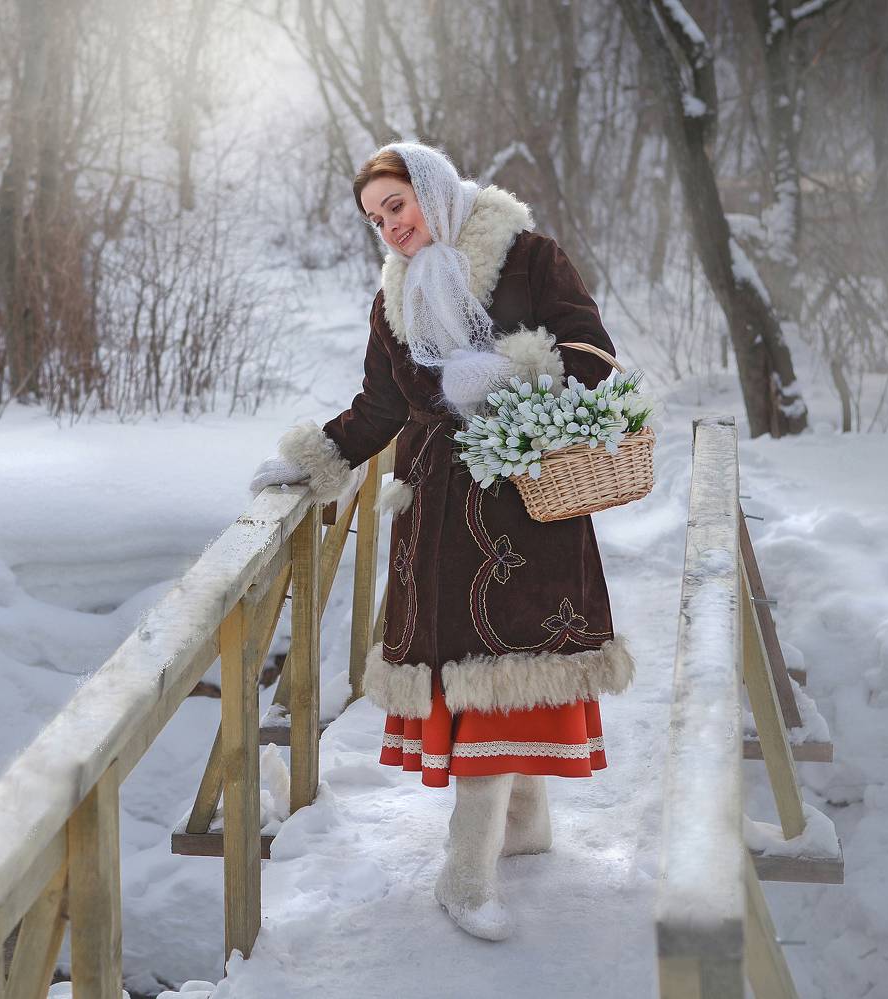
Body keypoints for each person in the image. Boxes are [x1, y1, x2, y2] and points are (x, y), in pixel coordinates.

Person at [249, 142, 633, 942]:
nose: (389, 227)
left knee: (506, 672)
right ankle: (522, 825)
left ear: (432, 190)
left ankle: (465, 873)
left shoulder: (527, 257)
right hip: (436, 526)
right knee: (476, 680)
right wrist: (315, 457)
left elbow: (594, 353)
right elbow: (381, 409)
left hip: (526, 509)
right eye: (374, 218)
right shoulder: (392, 302)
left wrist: (514, 374)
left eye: (396, 205)